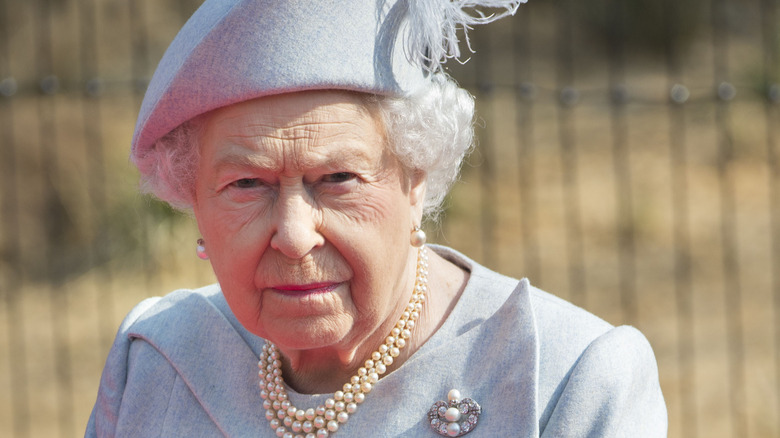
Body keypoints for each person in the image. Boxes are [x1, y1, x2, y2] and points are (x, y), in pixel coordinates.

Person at [86, 0, 667, 436]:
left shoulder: (567, 378)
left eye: (337, 179)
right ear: (195, 204)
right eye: (246, 184)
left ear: (417, 177)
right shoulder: (156, 361)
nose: (292, 235)